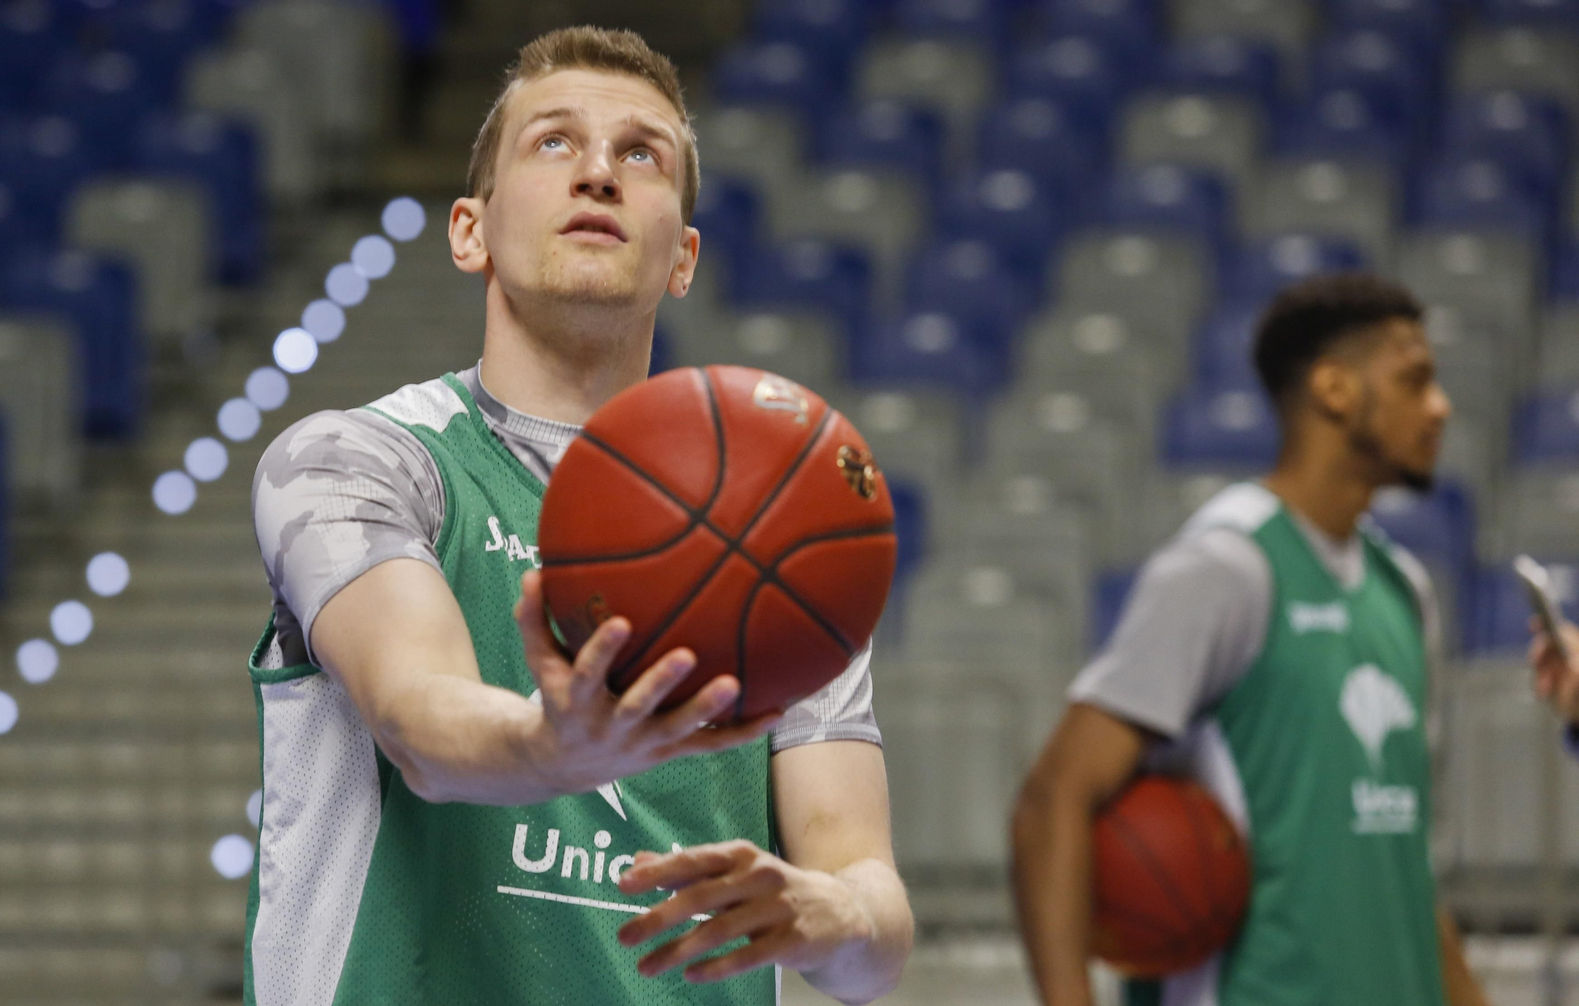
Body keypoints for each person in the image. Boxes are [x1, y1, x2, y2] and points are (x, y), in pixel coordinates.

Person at [246, 26, 912, 1006]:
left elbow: (871, 920)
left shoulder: (784, 530)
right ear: (469, 229)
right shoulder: (357, 459)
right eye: (553, 142)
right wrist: (545, 748)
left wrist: (836, 918)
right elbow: (414, 710)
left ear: (683, 257)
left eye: (640, 153)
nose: (599, 170)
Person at [1010, 274, 1491, 1006]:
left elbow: (1404, 864)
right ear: (1334, 390)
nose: (1439, 407)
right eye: (1415, 380)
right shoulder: (1223, 568)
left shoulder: (1404, 590)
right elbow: (1053, 801)